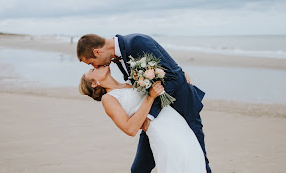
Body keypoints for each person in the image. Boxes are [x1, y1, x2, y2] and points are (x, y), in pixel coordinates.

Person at [77, 33, 211, 173]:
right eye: (91, 67)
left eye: (92, 63)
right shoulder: (117, 61)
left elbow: (169, 75)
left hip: (181, 108)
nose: (95, 66)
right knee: (141, 168)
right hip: (155, 120)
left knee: (198, 159)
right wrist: (150, 106)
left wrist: (179, 73)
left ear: (97, 52)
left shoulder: (136, 42)